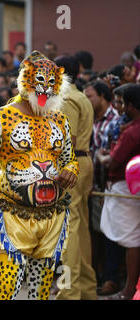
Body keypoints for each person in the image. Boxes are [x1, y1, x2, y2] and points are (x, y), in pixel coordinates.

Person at [0, 50, 79, 300]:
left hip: (51, 217)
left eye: (51, 84)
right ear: (25, 81)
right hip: (12, 216)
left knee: (40, 292)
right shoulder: (2, 117)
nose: (45, 90)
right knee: (8, 287)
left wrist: (71, 170)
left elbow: (70, 159)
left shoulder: (60, 119)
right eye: (39, 82)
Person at [54, 55, 98, 300]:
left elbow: (65, 141)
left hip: (70, 163)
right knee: (79, 229)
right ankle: (86, 290)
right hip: (83, 161)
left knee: (68, 229)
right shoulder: (80, 95)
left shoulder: (66, 98)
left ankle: (68, 292)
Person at [97, 84, 140, 300]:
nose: (119, 108)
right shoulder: (131, 128)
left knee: (131, 239)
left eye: (122, 103)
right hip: (129, 187)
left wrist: (101, 156)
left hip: (126, 187)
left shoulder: (132, 131)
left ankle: (129, 290)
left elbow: (113, 162)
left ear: (131, 105)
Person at [83, 80, 124, 296]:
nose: (86, 100)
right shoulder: (88, 120)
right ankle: (95, 277)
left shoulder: (115, 121)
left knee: (109, 234)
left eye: (89, 96)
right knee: (93, 234)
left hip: (108, 185)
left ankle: (111, 279)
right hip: (89, 186)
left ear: (102, 96)